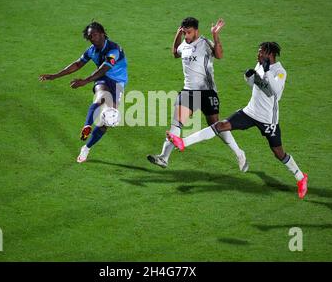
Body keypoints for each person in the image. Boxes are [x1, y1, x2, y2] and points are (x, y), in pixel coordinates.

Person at [167, 42, 308, 199]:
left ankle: (301, 177)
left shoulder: (280, 71)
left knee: (279, 153)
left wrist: (266, 71)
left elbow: (275, 92)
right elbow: (255, 85)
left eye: (261, 52)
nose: (258, 55)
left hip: (268, 120)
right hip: (250, 112)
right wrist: (249, 77)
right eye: (258, 52)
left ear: (270, 54)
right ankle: (182, 142)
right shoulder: (260, 64)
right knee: (220, 125)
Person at [147, 17, 248, 171]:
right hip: (188, 91)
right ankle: (164, 157)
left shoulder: (205, 43)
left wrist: (215, 35)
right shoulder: (183, 45)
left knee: (216, 126)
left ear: (196, 31)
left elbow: (219, 55)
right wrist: (177, 35)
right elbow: (175, 53)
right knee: (176, 123)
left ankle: (239, 153)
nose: (186, 35)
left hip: (207, 92)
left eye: (189, 32)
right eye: (184, 32)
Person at [39, 21, 128, 163]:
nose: (92, 38)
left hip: (118, 83)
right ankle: (87, 125)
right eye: (90, 36)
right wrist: (55, 75)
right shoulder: (91, 50)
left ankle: (86, 148)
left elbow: (105, 67)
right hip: (102, 79)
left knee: (108, 121)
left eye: (95, 34)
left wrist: (85, 81)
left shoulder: (114, 49)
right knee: (101, 98)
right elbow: (77, 64)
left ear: (102, 33)